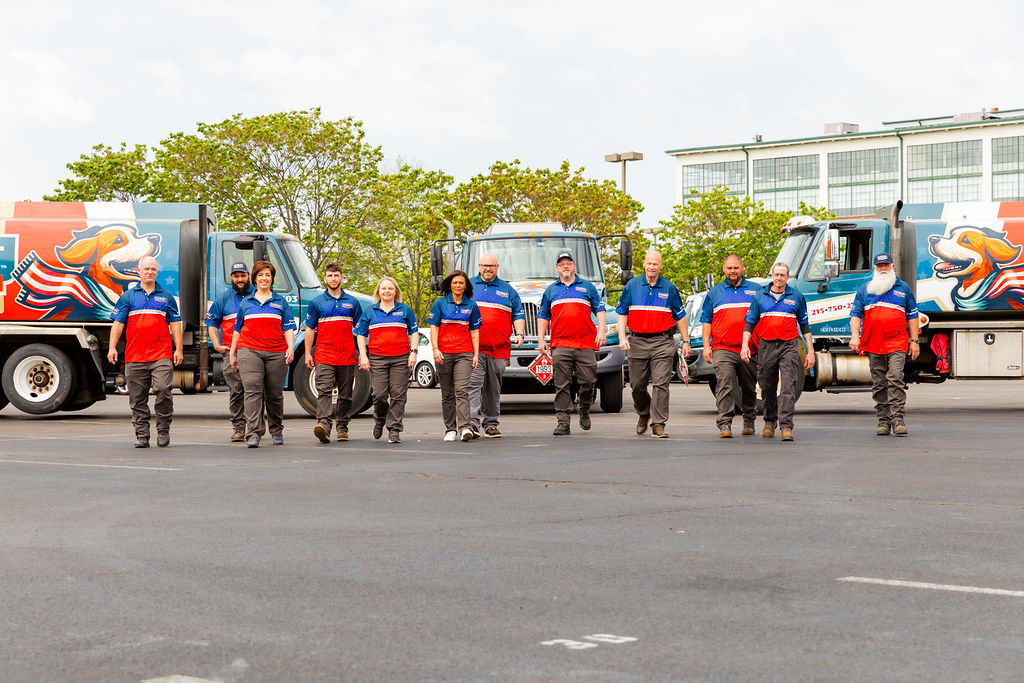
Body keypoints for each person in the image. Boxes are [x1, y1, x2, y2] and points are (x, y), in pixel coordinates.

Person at [107, 256, 183, 448]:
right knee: (137, 397)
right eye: (146, 269)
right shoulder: (128, 297)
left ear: (157, 272)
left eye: (153, 269)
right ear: (138, 271)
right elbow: (118, 324)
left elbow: (175, 324)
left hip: (161, 354)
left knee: (163, 390)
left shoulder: (166, 297)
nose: (150, 272)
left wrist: (179, 349)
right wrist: (112, 347)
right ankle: (142, 435)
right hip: (135, 356)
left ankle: (163, 430)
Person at [740, 262, 814, 442]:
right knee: (767, 385)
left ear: (787, 277)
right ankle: (769, 420)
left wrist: (810, 351)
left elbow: (805, 326)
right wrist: (745, 346)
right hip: (766, 345)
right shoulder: (760, 297)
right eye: (776, 274)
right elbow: (749, 323)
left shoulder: (796, 297)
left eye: (783, 275)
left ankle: (786, 425)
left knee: (788, 384)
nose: (779, 278)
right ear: (772, 276)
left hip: (788, 345)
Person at [617, 250, 688, 438]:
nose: (652, 267)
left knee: (661, 384)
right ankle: (644, 412)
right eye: (649, 263)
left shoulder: (669, 288)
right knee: (637, 385)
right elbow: (622, 312)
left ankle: (658, 425)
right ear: (644, 264)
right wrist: (622, 337)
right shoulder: (632, 286)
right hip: (637, 341)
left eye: (655, 264)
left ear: (660, 266)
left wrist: (686, 341)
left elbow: (680, 316)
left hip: (662, 342)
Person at [850, 253, 921, 437]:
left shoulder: (903, 288)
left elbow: (912, 316)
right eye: (879, 265)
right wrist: (854, 337)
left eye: (886, 265)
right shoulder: (865, 289)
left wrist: (914, 341)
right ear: (874, 268)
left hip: (897, 342)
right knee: (879, 383)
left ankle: (898, 419)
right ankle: (883, 421)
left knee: (895, 377)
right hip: (873, 343)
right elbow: (856, 315)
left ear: (892, 267)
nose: (883, 268)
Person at [537, 251, 607, 436]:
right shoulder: (551, 290)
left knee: (589, 381)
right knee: (562, 385)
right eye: (561, 264)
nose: (565, 266)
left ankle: (584, 408)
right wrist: (541, 339)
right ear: (557, 268)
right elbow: (543, 315)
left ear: (574, 266)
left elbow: (599, 309)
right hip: (560, 344)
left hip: (585, 343)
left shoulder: (587, 287)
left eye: (568, 263)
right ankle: (563, 422)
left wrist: (601, 330)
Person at [229, 261, 296, 448]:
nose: (264, 278)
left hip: (276, 352)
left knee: (274, 395)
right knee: (252, 391)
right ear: (255, 279)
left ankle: (276, 430)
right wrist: (233, 353)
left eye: (268, 275)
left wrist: (290, 348)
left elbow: (289, 327)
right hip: (249, 351)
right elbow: (237, 329)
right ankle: (253, 433)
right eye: (260, 275)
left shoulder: (280, 301)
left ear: (272, 278)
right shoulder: (246, 302)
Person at [701, 254, 762, 438]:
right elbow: (706, 321)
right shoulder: (714, 293)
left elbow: (764, 317)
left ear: (742, 267)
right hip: (723, 347)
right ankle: (725, 424)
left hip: (749, 349)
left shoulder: (756, 290)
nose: (733, 271)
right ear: (724, 269)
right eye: (729, 268)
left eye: (736, 268)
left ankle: (749, 420)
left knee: (749, 387)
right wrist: (706, 346)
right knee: (724, 384)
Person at [304, 262, 363, 444]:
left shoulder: (352, 302)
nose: (333, 278)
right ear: (325, 278)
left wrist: (363, 353)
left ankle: (343, 427)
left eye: (336, 275)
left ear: (342, 278)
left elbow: (360, 329)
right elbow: (310, 329)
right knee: (324, 391)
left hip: (347, 356)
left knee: (345, 394)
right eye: (330, 275)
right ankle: (324, 425)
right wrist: (307, 353)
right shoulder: (317, 303)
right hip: (324, 355)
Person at [355, 277, 419, 444]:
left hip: (401, 358)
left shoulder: (405, 310)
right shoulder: (370, 311)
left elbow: (414, 332)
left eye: (390, 288)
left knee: (398, 395)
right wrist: (363, 355)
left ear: (395, 291)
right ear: (378, 291)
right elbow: (360, 334)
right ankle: (379, 418)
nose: (387, 291)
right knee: (379, 395)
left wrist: (413, 352)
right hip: (377, 359)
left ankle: (394, 429)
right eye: (384, 288)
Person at [468, 253, 525, 438]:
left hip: (499, 349)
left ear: (497, 267)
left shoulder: (507, 290)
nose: (488, 269)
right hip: (473, 349)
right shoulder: (468, 286)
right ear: (479, 266)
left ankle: (491, 423)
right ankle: (472, 423)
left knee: (493, 388)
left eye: (491, 266)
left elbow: (518, 313)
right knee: (474, 385)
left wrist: (520, 333)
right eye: (484, 265)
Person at [428, 270, 482, 442]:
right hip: (443, 353)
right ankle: (450, 429)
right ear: (450, 285)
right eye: (455, 283)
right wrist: (435, 349)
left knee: (461, 390)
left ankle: (465, 427)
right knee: (447, 394)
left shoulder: (471, 306)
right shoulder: (440, 304)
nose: (458, 285)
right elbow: (434, 328)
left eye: (461, 283)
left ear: (466, 286)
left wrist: (475, 354)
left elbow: (474, 332)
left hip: (464, 354)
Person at [205, 261, 254, 442]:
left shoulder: (257, 295)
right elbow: (211, 322)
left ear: (248, 276)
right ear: (231, 278)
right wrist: (217, 345)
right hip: (231, 353)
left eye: (243, 275)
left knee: (255, 390)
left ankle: (256, 426)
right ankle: (239, 428)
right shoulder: (223, 298)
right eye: (236, 276)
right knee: (236, 391)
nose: (240, 279)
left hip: (254, 352)